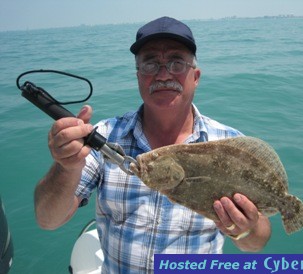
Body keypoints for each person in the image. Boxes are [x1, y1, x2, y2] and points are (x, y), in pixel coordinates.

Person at [34, 16, 271, 273]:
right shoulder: (104, 137)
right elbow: (48, 219)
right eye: (150, 63)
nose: (163, 74)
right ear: (138, 76)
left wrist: (245, 228)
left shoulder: (231, 146)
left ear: (196, 76)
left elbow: (256, 243)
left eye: (177, 62)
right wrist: (66, 166)